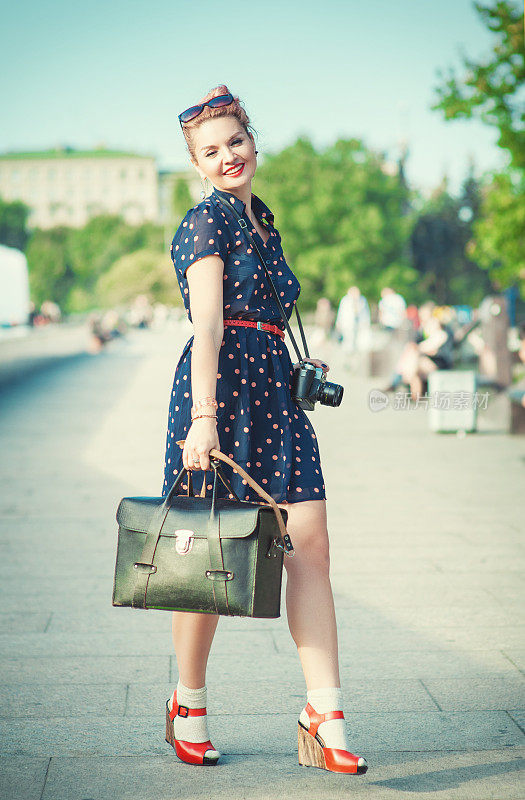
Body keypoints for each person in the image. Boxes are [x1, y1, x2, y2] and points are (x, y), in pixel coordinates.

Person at [161, 85, 367, 775]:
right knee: (205, 560)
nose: (228, 158)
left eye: (236, 142)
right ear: (195, 163)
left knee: (310, 544)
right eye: (210, 151)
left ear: (254, 141)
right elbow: (209, 326)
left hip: (275, 393)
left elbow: (267, 315)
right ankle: (187, 703)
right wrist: (202, 419)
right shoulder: (205, 223)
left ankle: (324, 715)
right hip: (220, 397)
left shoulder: (264, 224)